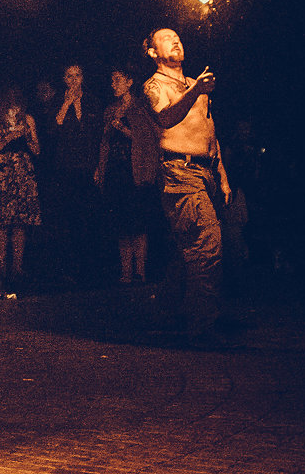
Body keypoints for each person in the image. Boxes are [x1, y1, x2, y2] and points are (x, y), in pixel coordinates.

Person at [140, 28, 232, 345]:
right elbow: (166, 118)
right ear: (152, 51)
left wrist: (221, 174)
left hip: (205, 172)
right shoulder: (154, 86)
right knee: (207, 242)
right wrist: (195, 93)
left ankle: (165, 314)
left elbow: (209, 128)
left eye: (178, 37)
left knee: (188, 250)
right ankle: (202, 327)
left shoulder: (195, 84)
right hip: (180, 172)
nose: (176, 40)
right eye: (166, 38)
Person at [95, 67, 154, 285]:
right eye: (112, 80)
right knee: (121, 223)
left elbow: (147, 141)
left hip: (135, 172)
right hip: (115, 171)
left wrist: (123, 129)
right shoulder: (111, 109)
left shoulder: (141, 108)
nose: (113, 85)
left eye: (118, 80)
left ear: (129, 82)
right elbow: (104, 142)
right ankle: (126, 271)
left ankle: (141, 271)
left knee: (137, 223)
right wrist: (99, 169)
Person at [0, 85, 40, 291]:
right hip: (3, 173)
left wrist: (28, 136)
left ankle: (17, 268)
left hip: (22, 171)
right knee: (1, 223)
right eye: (10, 107)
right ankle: (1, 269)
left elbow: (37, 150)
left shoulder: (28, 120)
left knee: (20, 222)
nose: (14, 110)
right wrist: (6, 139)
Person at [48, 63, 101, 285]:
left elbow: (97, 134)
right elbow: (53, 129)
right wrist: (67, 103)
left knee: (86, 217)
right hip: (65, 168)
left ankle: (87, 269)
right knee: (67, 219)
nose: (73, 80)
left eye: (77, 75)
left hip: (87, 167)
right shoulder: (57, 102)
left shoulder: (93, 101)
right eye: (69, 76)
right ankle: (67, 269)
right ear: (63, 79)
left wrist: (98, 165)